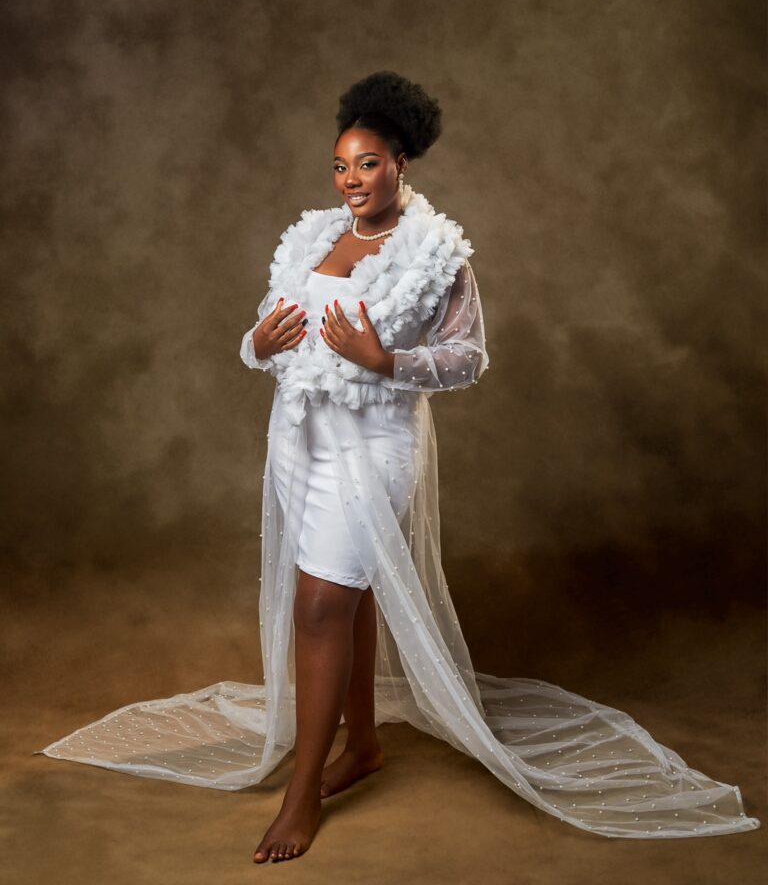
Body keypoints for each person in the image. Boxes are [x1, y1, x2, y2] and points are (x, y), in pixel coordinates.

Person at [37, 71, 760, 861]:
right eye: (340, 165)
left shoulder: (438, 254)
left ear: (400, 163)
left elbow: (468, 356)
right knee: (343, 596)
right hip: (302, 438)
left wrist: (384, 361)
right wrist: (257, 343)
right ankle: (363, 745)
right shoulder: (313, 237)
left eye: (368, 163)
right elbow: (270, 332)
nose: (351, 179)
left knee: (320, 605)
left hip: (375, 443)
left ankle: (302, 796)